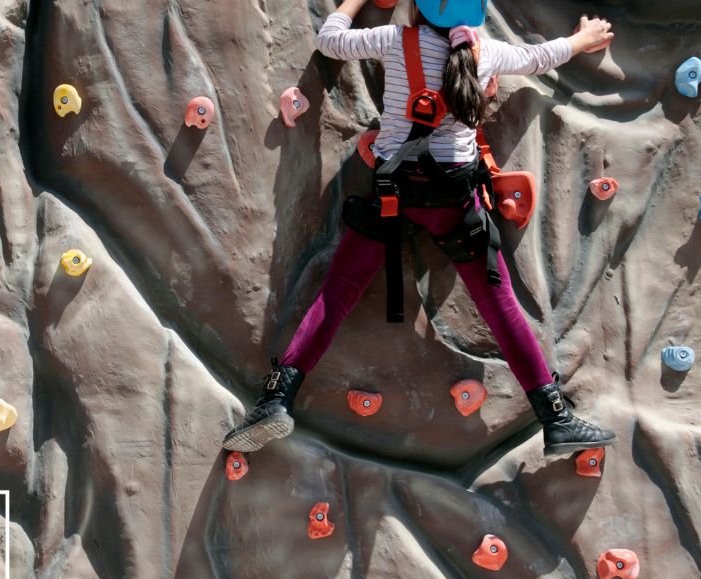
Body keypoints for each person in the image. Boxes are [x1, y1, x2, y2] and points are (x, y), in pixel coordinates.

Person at [223, 0, 617, 456]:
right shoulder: (484, 54)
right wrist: (581, 39)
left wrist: (354, 1)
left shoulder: (395, 42)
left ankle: (277, 397)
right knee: (499, 305)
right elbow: (540, 57)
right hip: (456, 202)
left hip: (394, 195)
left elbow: (328, 41)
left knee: (339, 292)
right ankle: (555, 417)